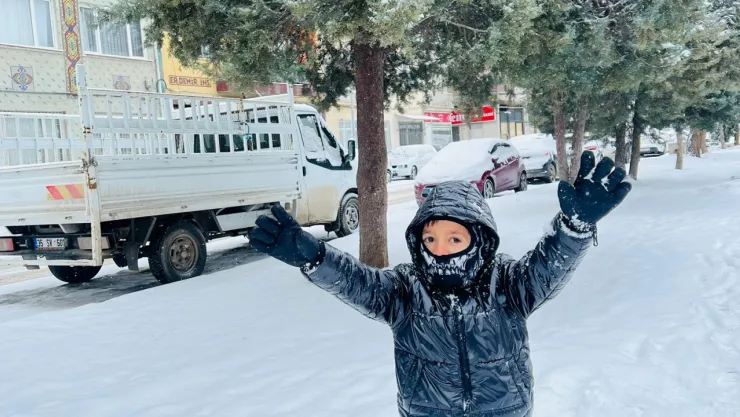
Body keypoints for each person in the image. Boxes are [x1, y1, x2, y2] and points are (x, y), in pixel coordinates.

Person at [249, 152, 631, 417]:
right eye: (430, 239)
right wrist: (316, 258)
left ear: (479, 240)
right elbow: (357, 283)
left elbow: (548, 268)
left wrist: (574, 229)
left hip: (504, 409)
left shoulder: (507, 283)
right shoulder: (405, 289)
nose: (440, 249)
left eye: (454, 238)